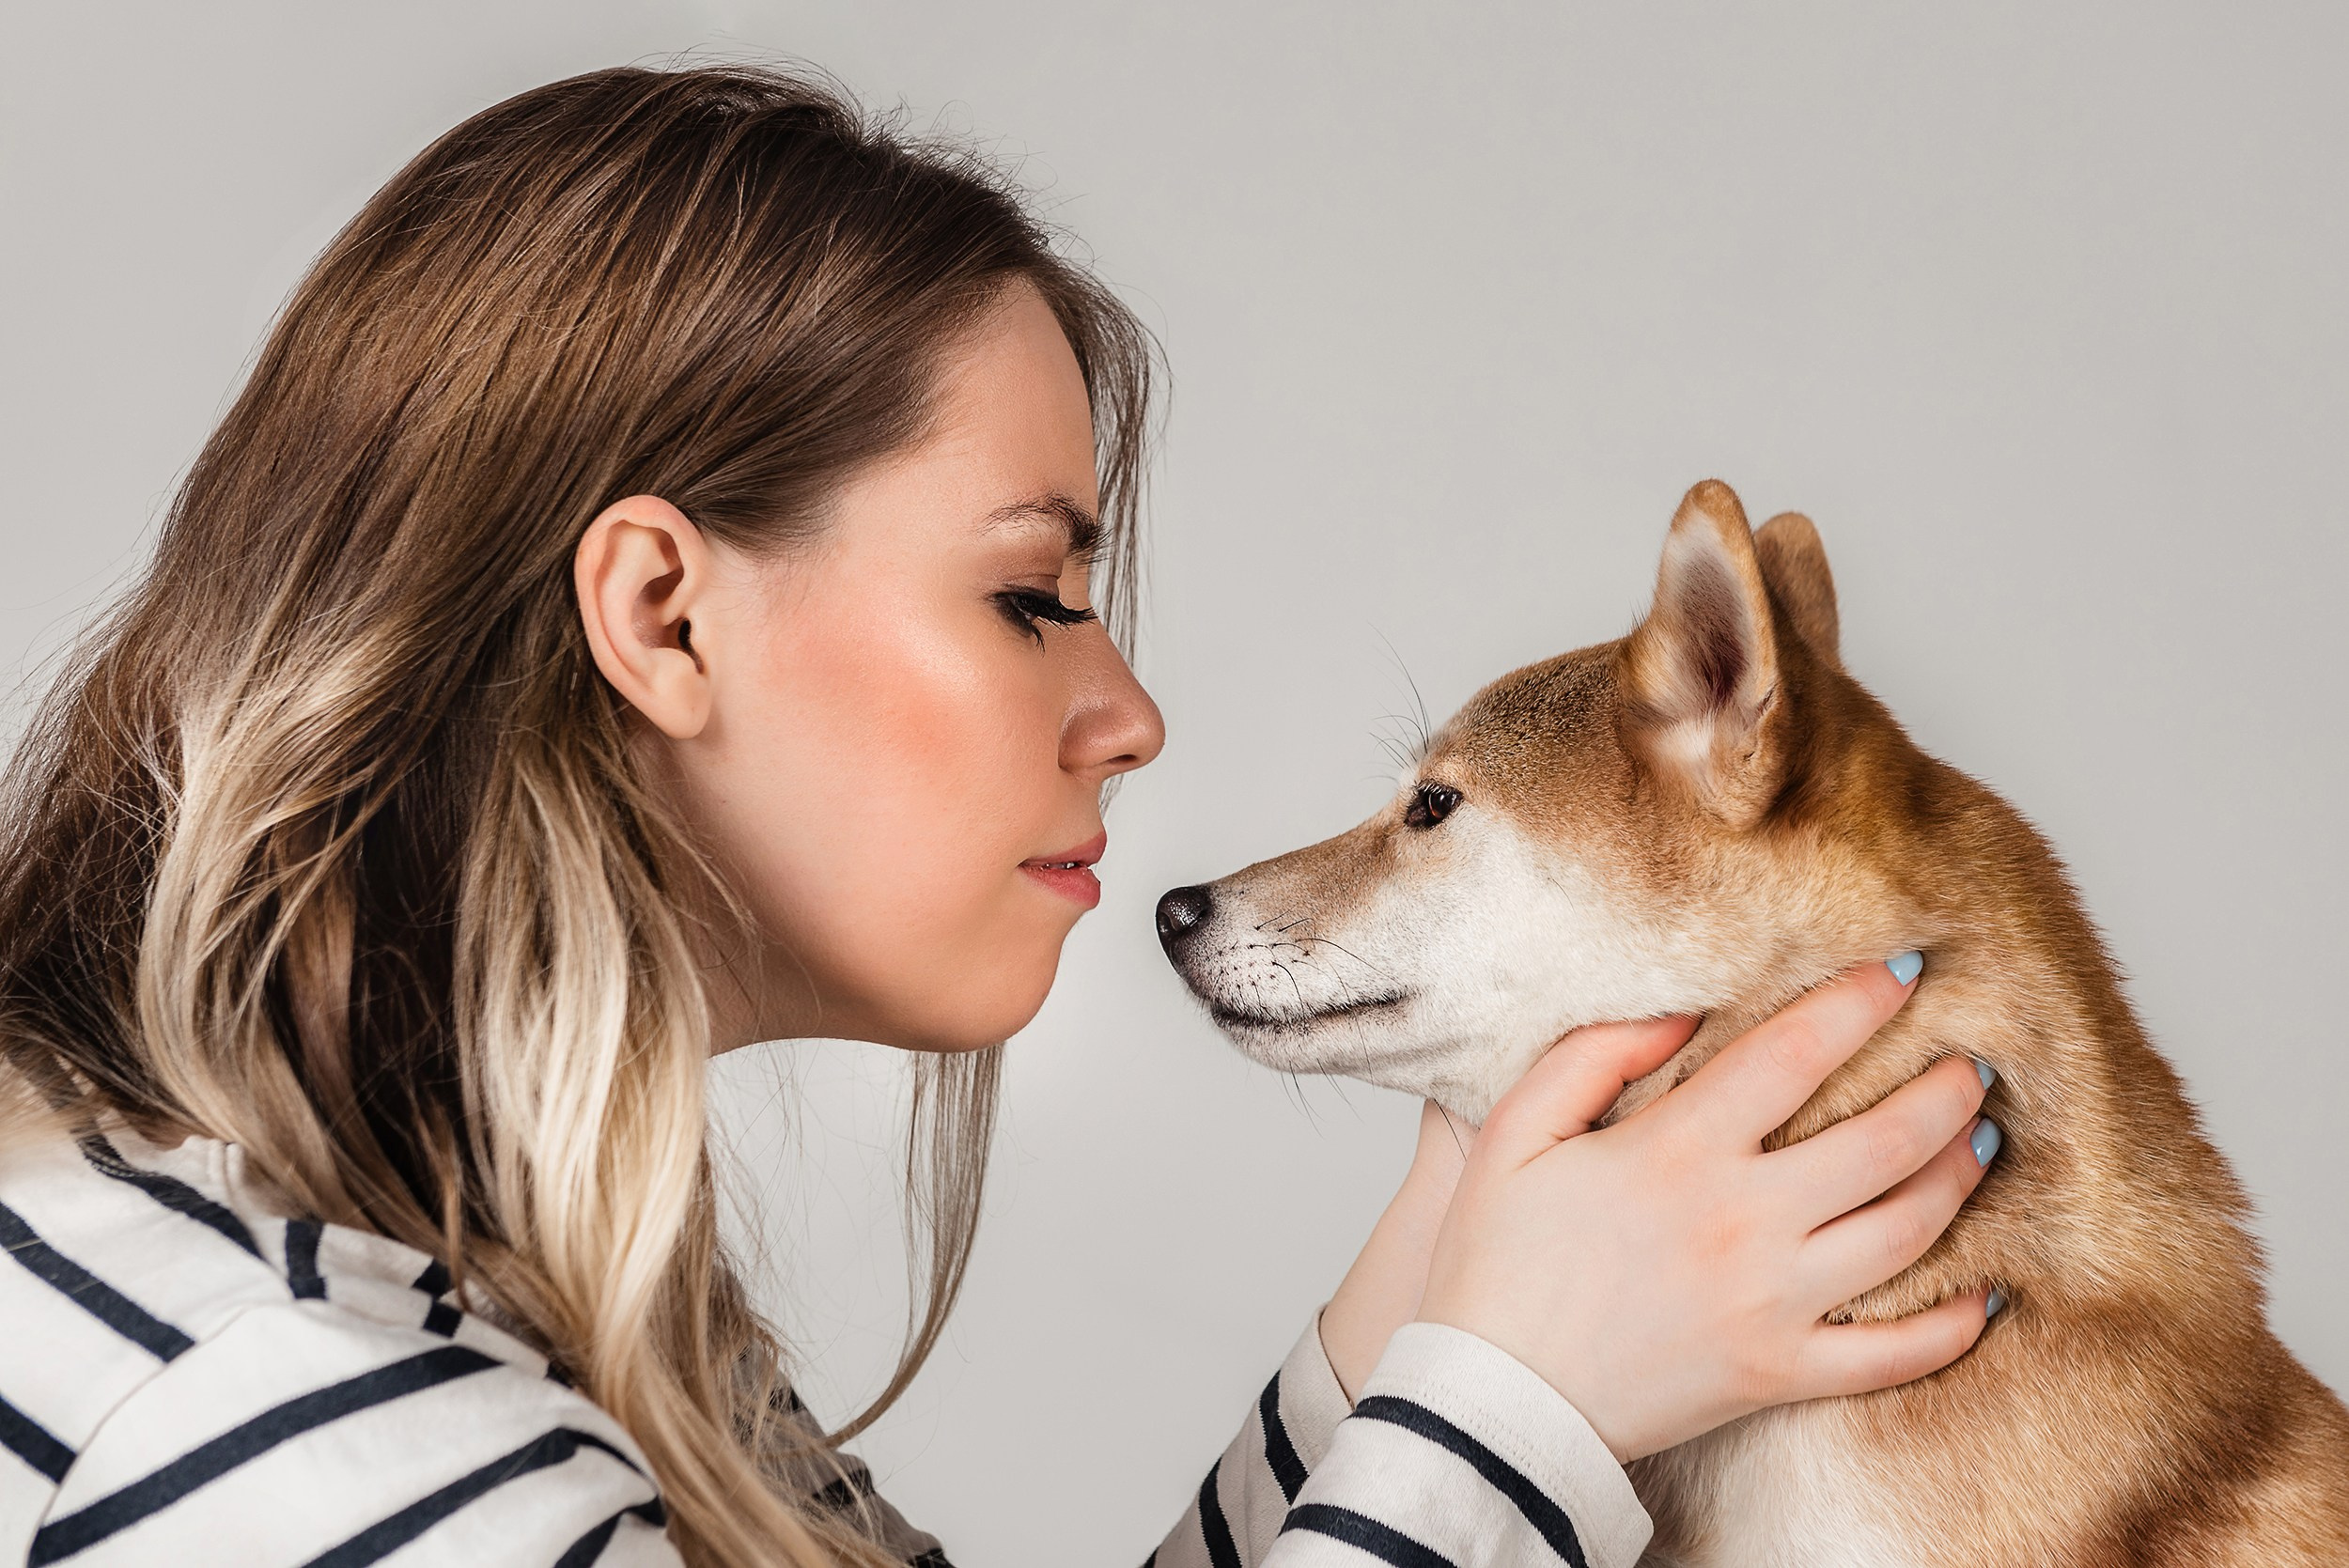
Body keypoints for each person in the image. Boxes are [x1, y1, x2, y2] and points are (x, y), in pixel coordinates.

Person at [0, 64, 1999, 1568]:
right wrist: (1514, 1413)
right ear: (659, 613)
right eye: (1027, 594)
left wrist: (1417, 1320)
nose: (1125, 713)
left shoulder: (490, 1283)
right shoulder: (308, 1414)